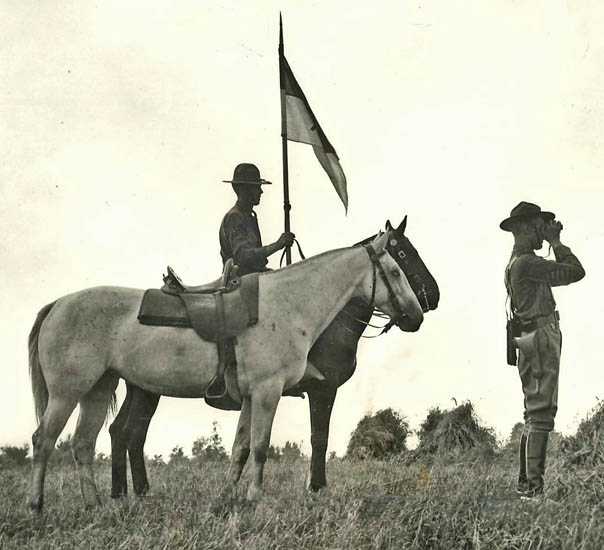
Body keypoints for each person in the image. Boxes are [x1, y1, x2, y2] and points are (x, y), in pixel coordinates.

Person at [500, 201, 585, 499]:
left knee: (534, 414)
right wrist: (557, 242)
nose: (542, 231)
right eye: (538, 226)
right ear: (523, 228)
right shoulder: (528, 263)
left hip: (531, 337)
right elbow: (576, 271)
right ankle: (532, 492)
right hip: (539, 337)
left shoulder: (516, 262)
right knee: (541, 415)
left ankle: (527, 488)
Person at [220, 162, 295, 276]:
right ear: (244, 190)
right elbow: (244, 257)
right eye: (256, 187)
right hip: (241, 282)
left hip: (253, 278)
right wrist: (278, 245)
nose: (261, 191)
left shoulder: (249, 216)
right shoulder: (234, 217)